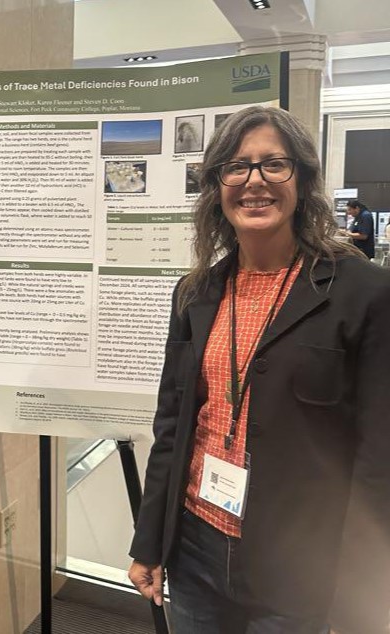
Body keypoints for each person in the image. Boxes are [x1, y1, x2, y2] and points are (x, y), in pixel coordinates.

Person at [127, 106, 390, 633]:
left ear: (303, 181)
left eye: (274, 164)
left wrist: (358, 588)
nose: (254, 181)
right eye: (237, 166)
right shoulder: (195, 294)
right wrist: (149, 541)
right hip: (195, 549)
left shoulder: (364, 293)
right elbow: (172, 426)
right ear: (217, 186)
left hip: (301, 564)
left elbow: (377, 456)